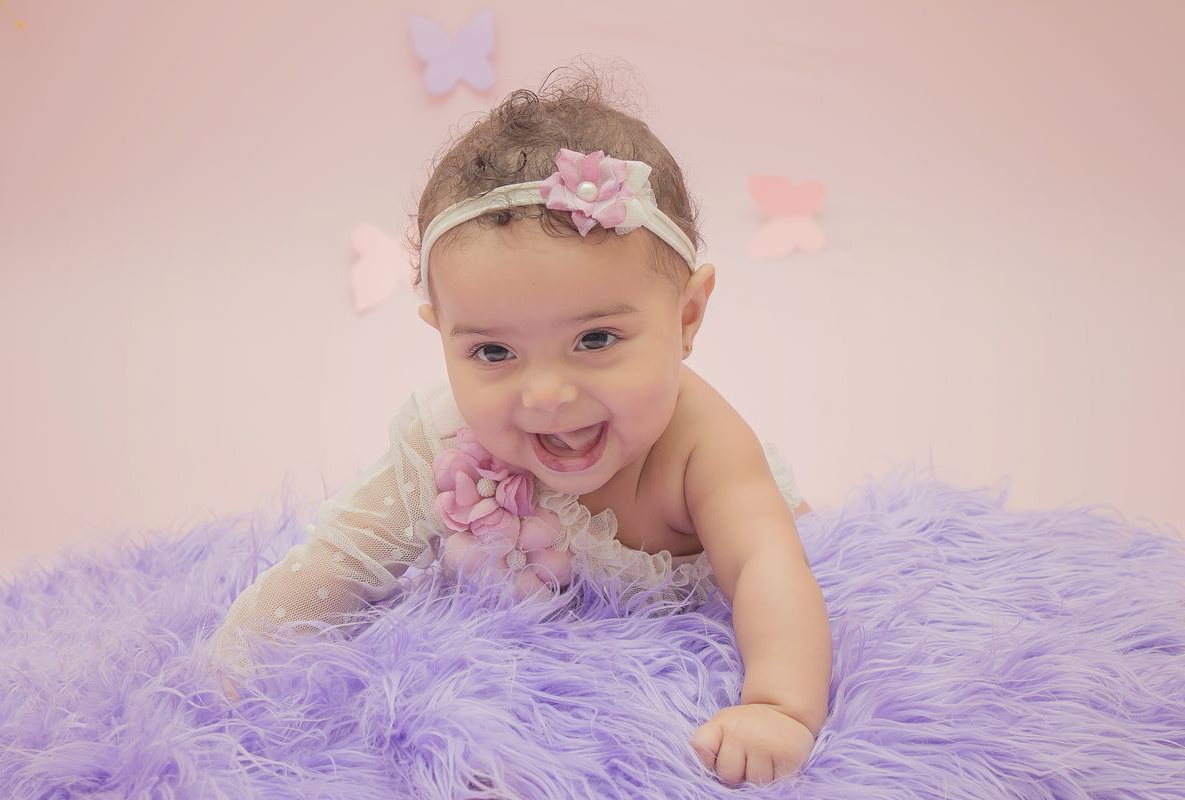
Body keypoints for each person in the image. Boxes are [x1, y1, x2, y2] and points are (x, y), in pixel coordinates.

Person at [209, 74, 832, 787]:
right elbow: (337, 561)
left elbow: (762, 565)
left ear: (686, 317)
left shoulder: (702, 444)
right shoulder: (444, 439)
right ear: (442, 335)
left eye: (596, 339)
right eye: (493, 352)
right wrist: (225, 679)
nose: (547, 396)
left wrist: (779, 707)